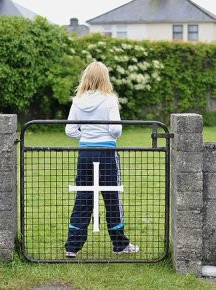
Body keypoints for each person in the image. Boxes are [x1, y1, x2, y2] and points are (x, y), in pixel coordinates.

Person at [64, 61, 139, 258]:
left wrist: (86, 136)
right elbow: (115, 128)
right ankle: (119, 244)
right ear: (105, 78)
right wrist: (107, 136)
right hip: (106, 153)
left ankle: (72, 247)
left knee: (83, 197)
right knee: (112, 197)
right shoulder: (109, 99)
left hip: (85, 154)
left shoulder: (78, 100)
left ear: (86, 77)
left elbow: (69, 129)